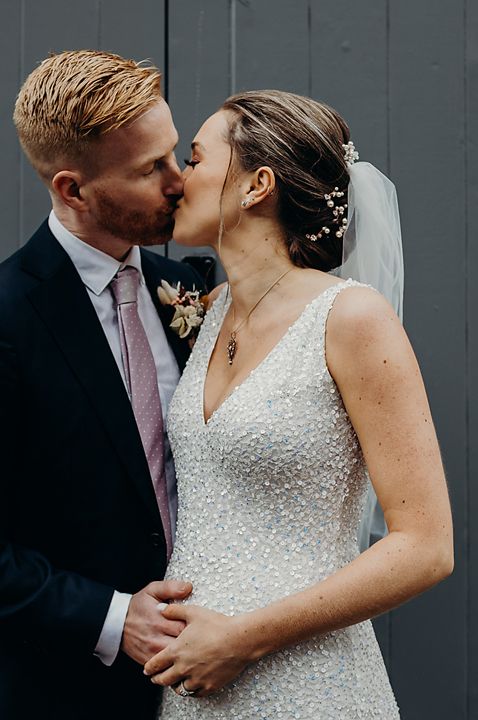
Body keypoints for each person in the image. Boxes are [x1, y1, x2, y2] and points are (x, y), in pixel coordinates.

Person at [142, 90, 454, 718]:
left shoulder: (350, 316)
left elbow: (426, 544)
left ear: (257, 185)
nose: (176, 180)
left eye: (196, 160)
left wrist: (243, 638)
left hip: (306, 681)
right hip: (195, 687)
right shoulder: (211, 313)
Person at [0, 50, 205, 720]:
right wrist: (114, 618)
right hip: (66, 691)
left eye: (176, 154)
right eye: (151, 169)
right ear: (72, 190)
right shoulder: (7, 316)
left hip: (216, 673)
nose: (181, 183)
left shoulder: (197, 291)